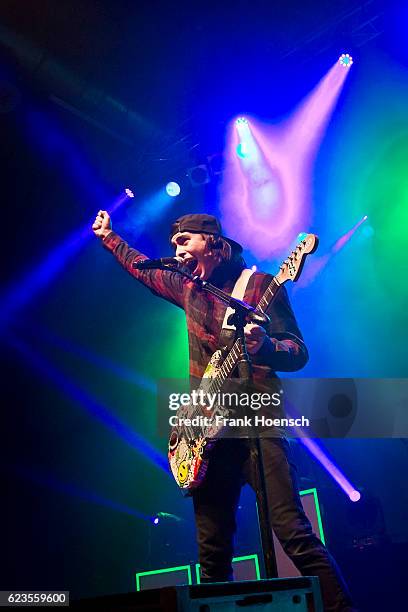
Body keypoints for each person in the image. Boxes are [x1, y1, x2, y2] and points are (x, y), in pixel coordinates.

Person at [92, 211, 355, 611]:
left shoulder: (260, 286)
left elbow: (297, 351)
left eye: (184, 243)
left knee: (292, 531)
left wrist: (264, 346)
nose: (176, 251)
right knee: (213, 556)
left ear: (213, 243)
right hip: (206, 435)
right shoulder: (188, 287)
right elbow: (142, 270)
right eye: (174, 244)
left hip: (257, 421)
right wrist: (110, 237)